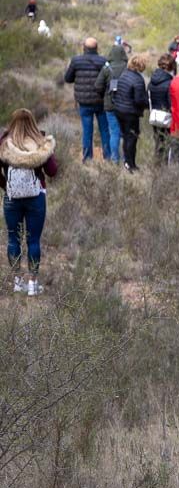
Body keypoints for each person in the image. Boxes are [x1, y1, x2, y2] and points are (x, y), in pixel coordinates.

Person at [1, 109, 58, 297]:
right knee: (33, 240)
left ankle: (17, 282)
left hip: (12, 198)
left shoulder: (4, 143)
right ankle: (33, 285)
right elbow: (52, 171)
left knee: (13, 239)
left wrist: (7, 186)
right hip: (36, 197)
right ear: (33, 122)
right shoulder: (40, 143)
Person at [63, 37, 112, 162]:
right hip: (100, 102)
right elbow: (109, 80)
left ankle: (87, 158)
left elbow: (68, 79)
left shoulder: (76, 61)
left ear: (84, 48)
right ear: (96, 48)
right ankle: (108, 157)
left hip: (84, 102)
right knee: (105, 130)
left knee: (87, 131)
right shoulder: (103, 61)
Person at [113, 54, 150, 172]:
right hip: (130, 113)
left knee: (125, 137)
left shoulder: (124, 74)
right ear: (141, 66)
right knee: (132, 139)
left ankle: (127, 162)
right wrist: (148, 103)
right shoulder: (138, 79)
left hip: (119, 110)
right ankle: (131, 164)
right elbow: (139, 100)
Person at [94, 42, 127, 162]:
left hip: (110, 105)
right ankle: (126, 160)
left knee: (114, 132)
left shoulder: (106, 69)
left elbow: (97, 86)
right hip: (125, 106)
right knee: (125, 133)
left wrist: (105, 93)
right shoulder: (127, 68)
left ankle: (114, 159)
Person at [148, 54, 174, 165]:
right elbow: (170, 102)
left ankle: (156, 168)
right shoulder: (170, 83)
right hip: (166, 117)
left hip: (154, 116)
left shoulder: (151, 81)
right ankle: (163, 170)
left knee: (158, 143)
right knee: (166, 144)